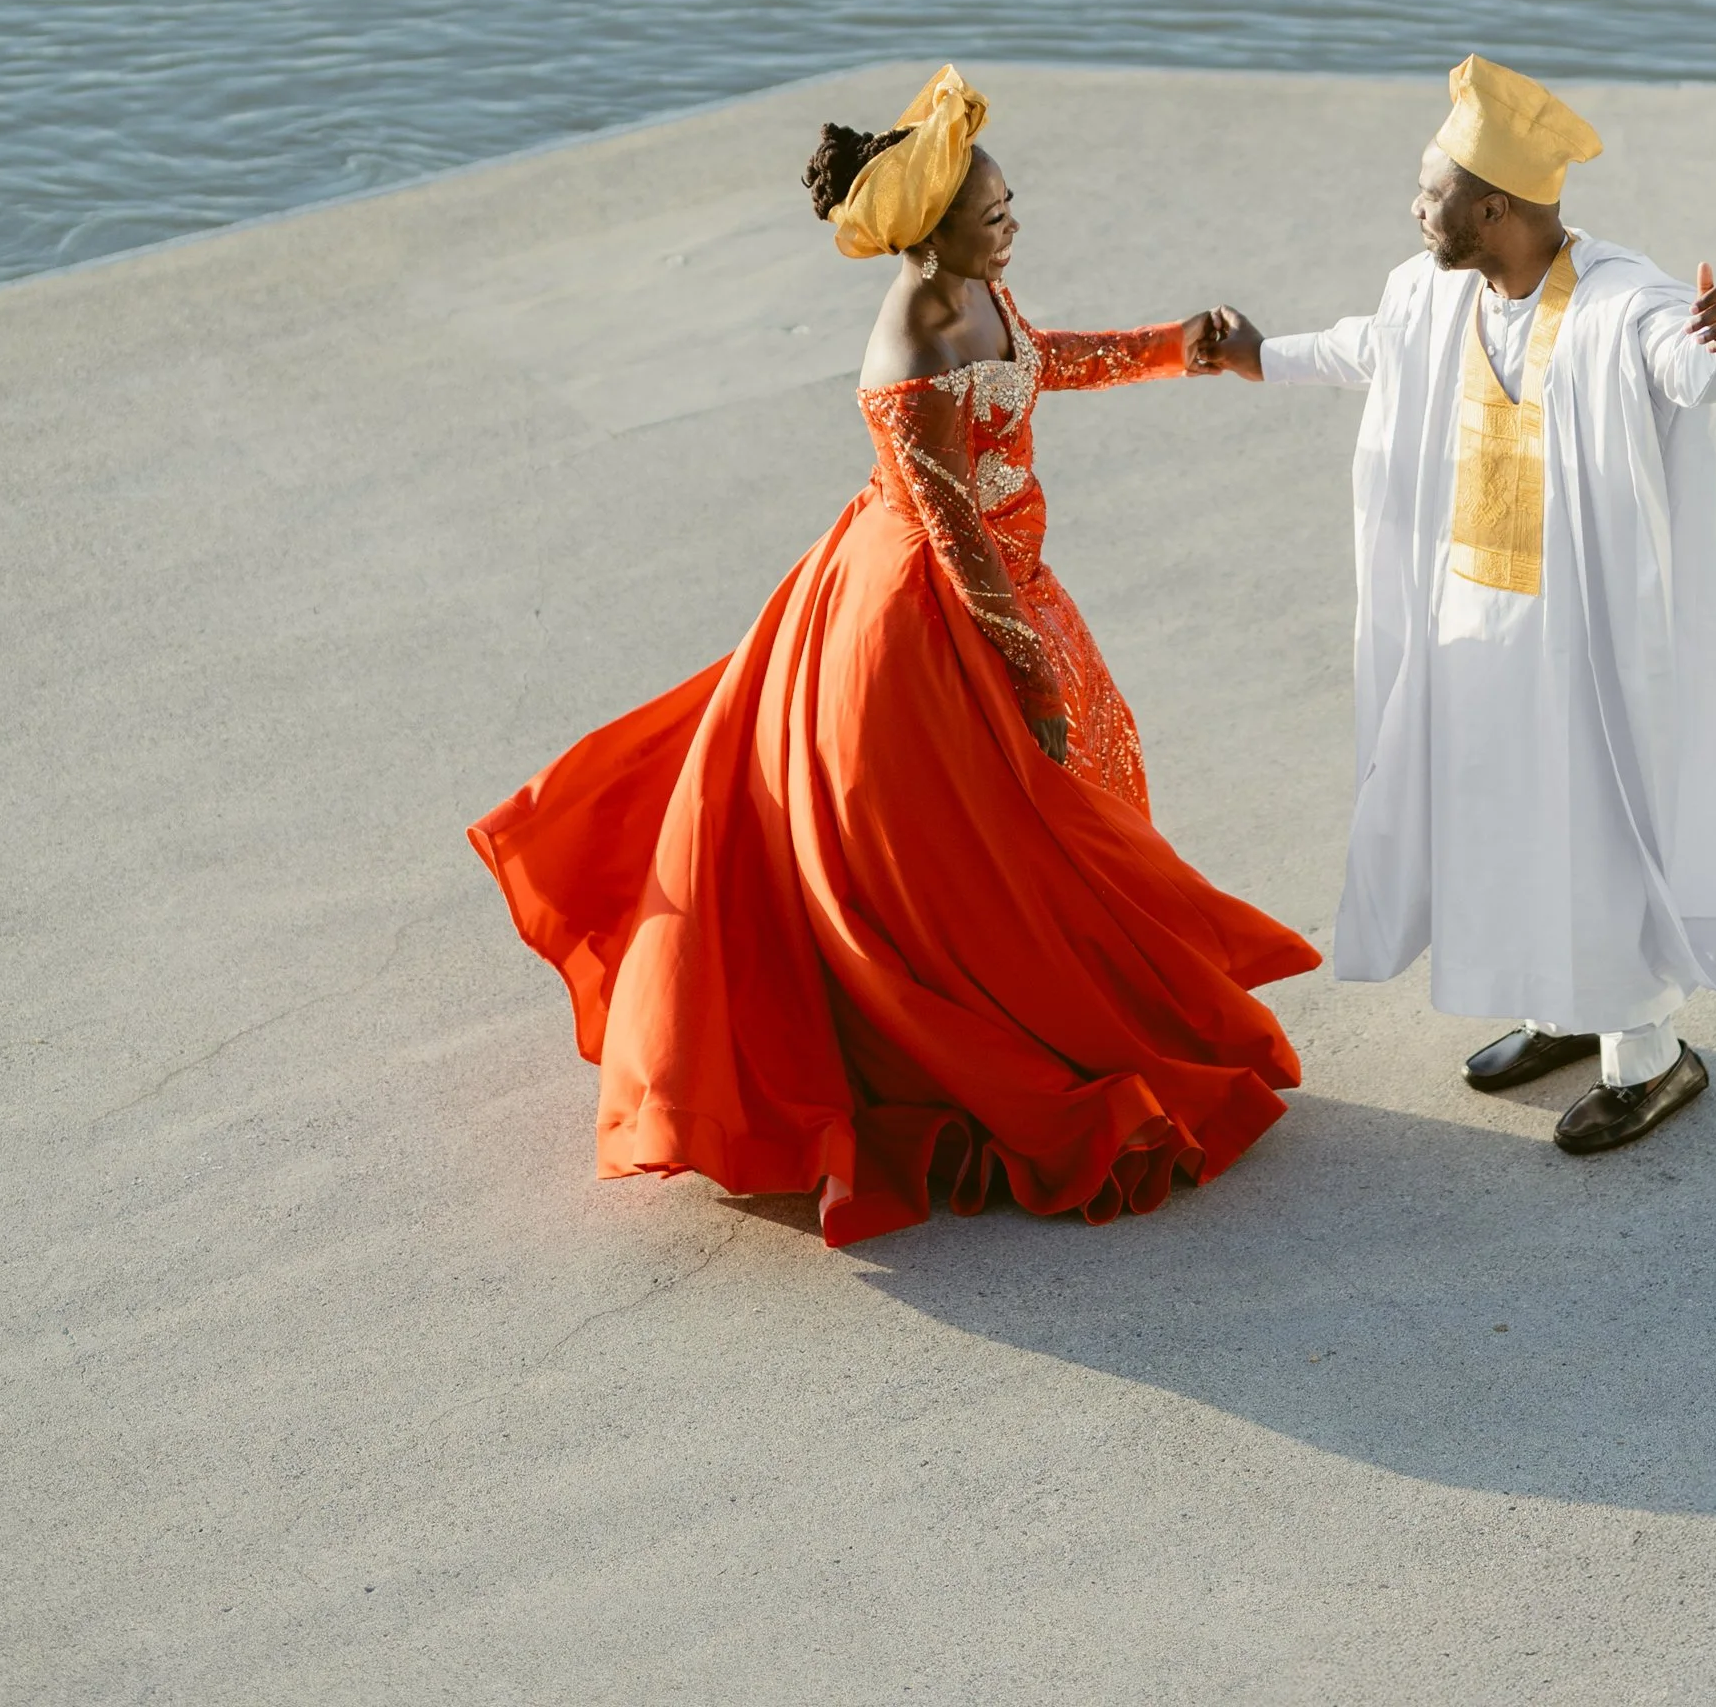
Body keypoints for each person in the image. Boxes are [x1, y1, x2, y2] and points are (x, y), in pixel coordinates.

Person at [470, 66, 1316, 1246]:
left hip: (1011, 587)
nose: (1015, 221)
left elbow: (1042, 361)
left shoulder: (979, 288)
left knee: (1059, 810)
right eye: (997, 209)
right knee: (991, 833)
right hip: (928, 616)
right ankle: (1015, 1034)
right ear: (931, 234)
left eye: (1013, 202)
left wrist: (1178, 346)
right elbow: (951, 531)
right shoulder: (909, 346)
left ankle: (1073, 999)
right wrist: (1024, 669)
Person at [1195, 54, 1716, 1154]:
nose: (1417, 207)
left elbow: (1685, 364)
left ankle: (1649, 1054)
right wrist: (1263, 356)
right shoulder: (1436, 292)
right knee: (1501, 818)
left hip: (1581, 643)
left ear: (1496, 207)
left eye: (1434, 191)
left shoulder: (1619, 298)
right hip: (1470, 626)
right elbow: (1372, 347)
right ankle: (1558, 1004)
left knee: (1598, 827)